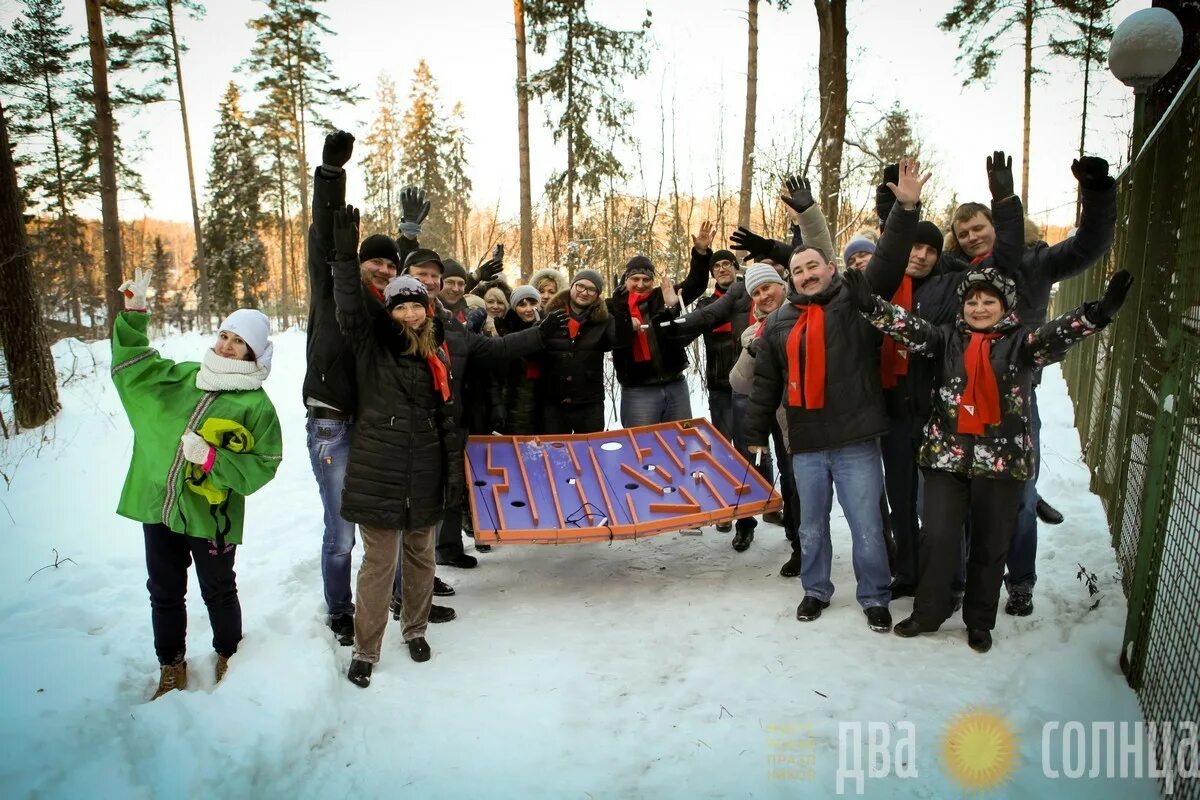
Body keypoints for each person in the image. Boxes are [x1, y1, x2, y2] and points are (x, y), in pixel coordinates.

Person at [847, 266, 1132, 651]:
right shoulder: (946, 339)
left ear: (1004, 305)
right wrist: (871, 305)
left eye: (988, 301)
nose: (979, 308)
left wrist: (1097, 313)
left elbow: (1059, 333)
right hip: (947, 458)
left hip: (1002, 462)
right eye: (972, 301)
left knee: (990, 543)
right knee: (939, 537)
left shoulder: (1023, 343)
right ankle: (928, 612)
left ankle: (980, 621)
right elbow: (908, 329)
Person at [743, 157, 929, 634]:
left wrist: (905, 210)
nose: (805, 274)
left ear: (830, 268)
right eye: (798, 270)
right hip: (805, 443)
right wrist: (754, 435)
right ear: (791, 278)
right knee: (810, 525)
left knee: (867, 525)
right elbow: (766, 382)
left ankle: (874, 595)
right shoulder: (781, 321)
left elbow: (887, 262)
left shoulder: (852, 303)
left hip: (854, 440)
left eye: (812, 266)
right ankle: (815, 589)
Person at [301, 132, 454, 644]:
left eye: (390, 265)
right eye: (376, 261)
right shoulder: (336, 288)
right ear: (357, 260)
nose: (384, 269)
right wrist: (329, 176)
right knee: (343, 530)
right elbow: (329, 244)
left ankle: (398, 598)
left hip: (373, 422)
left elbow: (409, 289)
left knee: (388, 518)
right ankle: (342, 610)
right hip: (333, 416)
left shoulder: (386, 312)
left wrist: (408, 234)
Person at [949, 155, 1118, 618]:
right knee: (965, 498)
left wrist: (1098, 194)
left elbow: (1088, 245)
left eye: (979, 226)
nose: (973, 237)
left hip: (1017, 397)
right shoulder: (956, 278)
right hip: (962, 403)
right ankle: (963, 577)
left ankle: (1020, 580)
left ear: (998, 223)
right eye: (963, 234)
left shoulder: (1035, 261)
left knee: (1018, 500)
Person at [112, 268, 283, 700]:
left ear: (253, 352)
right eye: (225, 334)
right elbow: (135, 370)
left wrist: (211, 458)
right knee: (164, 591)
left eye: (238, 340)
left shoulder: (256, 406)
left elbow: (264, 464)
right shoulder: (186, 375)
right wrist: (134, 313)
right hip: (160, 506)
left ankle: (229, 653)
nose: (227, 344)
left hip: (212, 517)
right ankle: (171, 665)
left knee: (219, 590)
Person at [330, 205, 464, 686]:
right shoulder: (373, 346)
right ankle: (366, 649)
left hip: (424, 470)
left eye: (416, 304)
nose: (410, 311)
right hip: (380, 470)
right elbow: (349, 299)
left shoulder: (437, 356)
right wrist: (345, 258)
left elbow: (447, 423)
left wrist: (452, 480)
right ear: (390, 311)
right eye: (401, 305)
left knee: (421, 558)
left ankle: (416, 629)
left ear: (428, 310)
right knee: (379, 565)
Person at [610, 256, 691, 426]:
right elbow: (617, 340)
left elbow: (696, 283)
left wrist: (701, 252)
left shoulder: (661, 296)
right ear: (626, 280)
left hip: (674, 383)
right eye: (635, 279)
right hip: (638, 389)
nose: (640, 284)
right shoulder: (613, 305)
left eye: (646, 279)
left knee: (681, 439)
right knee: (641, 445)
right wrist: (624, 317)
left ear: (653, 281)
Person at [540, 269, 617, 434]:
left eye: (591, 289)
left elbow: (619, 342)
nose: (584, 292)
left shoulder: (604, 320)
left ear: (597, 294)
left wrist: (623, 312)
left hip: (589, 403)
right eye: (580, 286)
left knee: (590, 452)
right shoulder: (549, 314)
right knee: (556, 452)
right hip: (554, 402)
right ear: (571, 286)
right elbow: (532, 346)